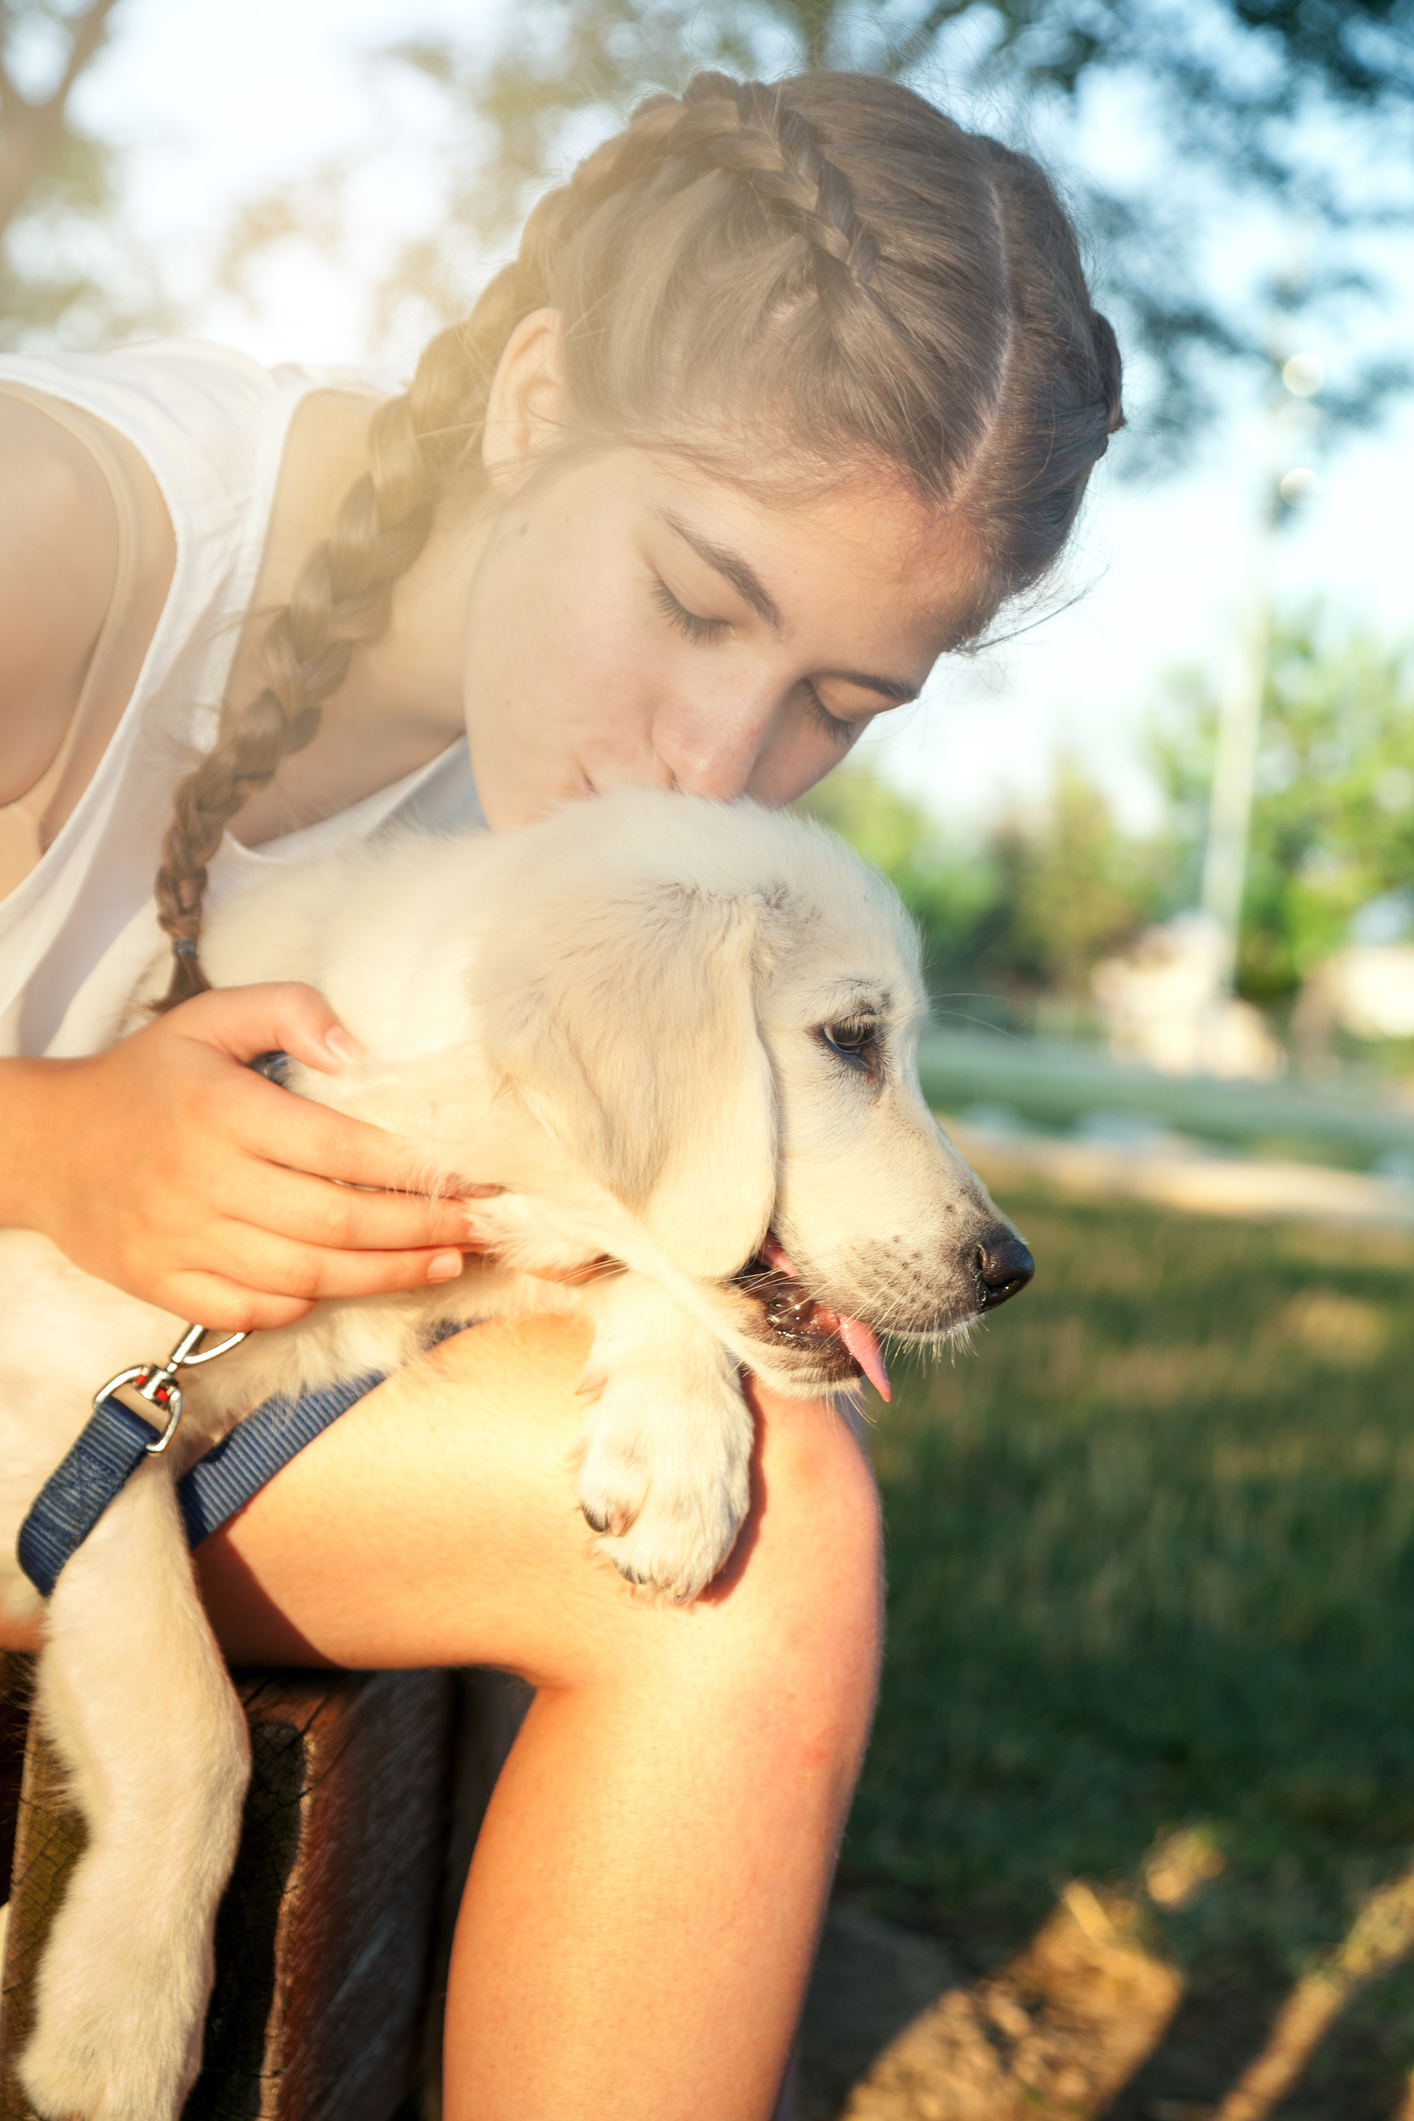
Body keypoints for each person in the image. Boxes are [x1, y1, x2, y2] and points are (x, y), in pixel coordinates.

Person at [0, 68, 1121, 2121]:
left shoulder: (605, 870)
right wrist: (45, 1133)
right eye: (698, 602)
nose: (715, 754)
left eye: (834, 705)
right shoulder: (61, 533)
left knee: (769, 1524)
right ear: (531, 401)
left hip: (76, 1426)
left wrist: (663, 1305)